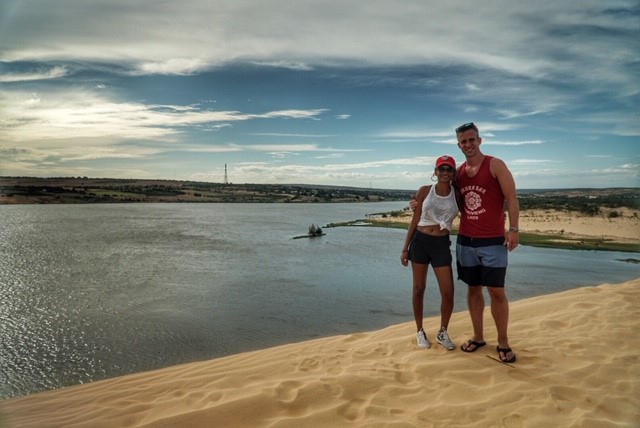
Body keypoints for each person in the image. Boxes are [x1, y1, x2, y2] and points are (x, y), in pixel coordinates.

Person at [409, 122, 520, 363]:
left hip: (492, 240)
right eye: (463, 141)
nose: (468, 144)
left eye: (472, 140)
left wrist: (513, 229)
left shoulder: (495, 165)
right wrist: (417, 204)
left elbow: (511, 198)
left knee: (497, 291)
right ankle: (478, 336)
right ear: (459, 145)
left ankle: (503, 342)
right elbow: (440, 197)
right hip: (466, 241)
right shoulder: (458, 173)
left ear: (479, 141)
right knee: (473, 289)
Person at [401, 155, 459, 351]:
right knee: (418, 288)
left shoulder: (456, 194)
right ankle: (420, 331)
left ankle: (443, 332)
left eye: (448, 169)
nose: (444, 173)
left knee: (448, 291)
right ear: (435, 172)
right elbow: (415, 220)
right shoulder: (425, 190)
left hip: (441, 244)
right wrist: (405, 247)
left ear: (453, 173)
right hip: (420, 241)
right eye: (441, 169)